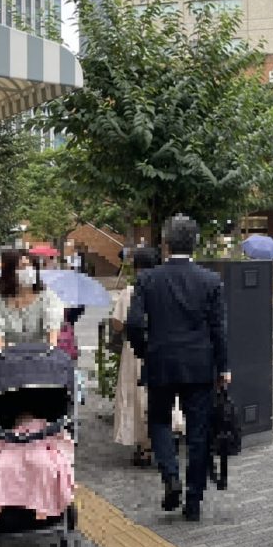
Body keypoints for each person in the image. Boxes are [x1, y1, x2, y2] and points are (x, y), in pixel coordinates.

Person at [127, 214, 230, 522]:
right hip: (199, 366)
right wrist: (223, 366)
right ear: (194, 243)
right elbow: (218, 329)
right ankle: (194, 500)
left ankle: (171, 476)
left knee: (158, 421)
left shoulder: (148, 279)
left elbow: (133, 323)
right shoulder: (210, 280)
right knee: (198, 432)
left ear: (166, 245)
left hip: (160, 362)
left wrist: (145, 350)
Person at [112, 246, 159, 466]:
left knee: (135, 395)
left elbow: (118, 323)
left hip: (135, 350)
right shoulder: (164, 288)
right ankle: (159, 440)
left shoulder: (130, 291)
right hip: (161, 349)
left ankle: (144, 446)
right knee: (158, 394)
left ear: (136, 267)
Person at [0, 249, 65, 353]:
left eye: (32, 266)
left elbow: (52, 327)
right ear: (9, 272)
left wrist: (50, 348)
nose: (29, 270)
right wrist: (3, 351)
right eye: (22, 266)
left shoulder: (48, 297)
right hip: (5, 360)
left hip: (40, 358)